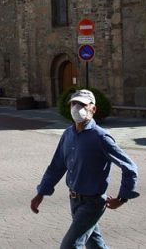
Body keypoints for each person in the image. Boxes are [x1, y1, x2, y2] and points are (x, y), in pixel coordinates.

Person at [31, 89, 139, 248]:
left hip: (93, 203)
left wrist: (122, 198)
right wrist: (41, 193)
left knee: (70, 246)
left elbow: (130, 168)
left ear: (93, 109)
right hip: (74, 200)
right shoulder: (68, 134)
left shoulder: (101, 137)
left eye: (82, 104)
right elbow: (56, 166)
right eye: (73, 104)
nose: (76, 108)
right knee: (95, 244)